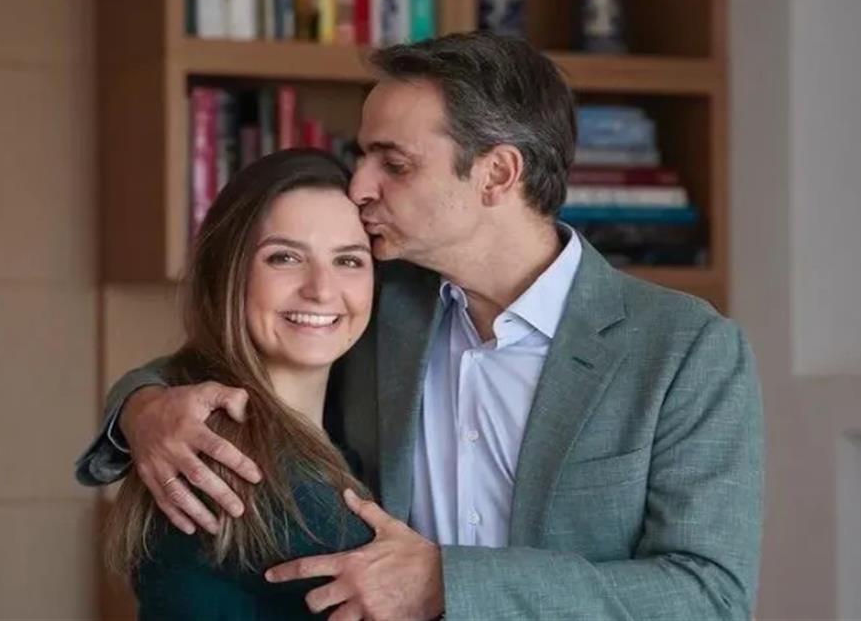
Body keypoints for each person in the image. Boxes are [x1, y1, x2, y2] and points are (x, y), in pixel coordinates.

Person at [79, 32, 764, 620]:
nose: (359, 187)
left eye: (394, 164)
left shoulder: (685, 350)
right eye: (362, 157)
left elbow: (708, 597)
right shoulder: (379, 300)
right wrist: (141, 410)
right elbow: (227, 358)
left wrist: (448, 582)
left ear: (497, 173)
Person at [104, 148, 385, 619]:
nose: (321, 289)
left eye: (349, 261)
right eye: (285, 257)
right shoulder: (241, 467)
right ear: (227, 273)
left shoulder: (327, 431)